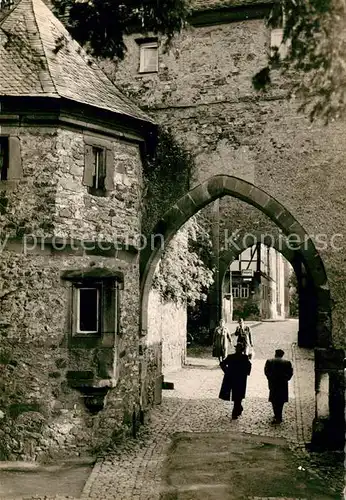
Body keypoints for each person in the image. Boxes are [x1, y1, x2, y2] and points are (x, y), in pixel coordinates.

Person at [219, 343, 252, 419]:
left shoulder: (232, 357)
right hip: (240, 378)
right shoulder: (244, 357)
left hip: (232, 378)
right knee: (238, 395)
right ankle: (236, 411)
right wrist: (246, 373)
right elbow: (249, 366)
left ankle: (237, 409)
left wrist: (226, 371)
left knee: (236, 394)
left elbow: (222, 364)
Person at [264, 349, 293, 424]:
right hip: (283, 384)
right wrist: (286, 378)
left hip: (273, 384)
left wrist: (270, 378)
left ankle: (276, 415)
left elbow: (266, 371)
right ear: (282, 355)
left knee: (274, 400)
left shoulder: (269, 361)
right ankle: (279, 415)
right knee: (281, 401)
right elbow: (290, 373)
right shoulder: (287, 362)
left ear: (275, 354)